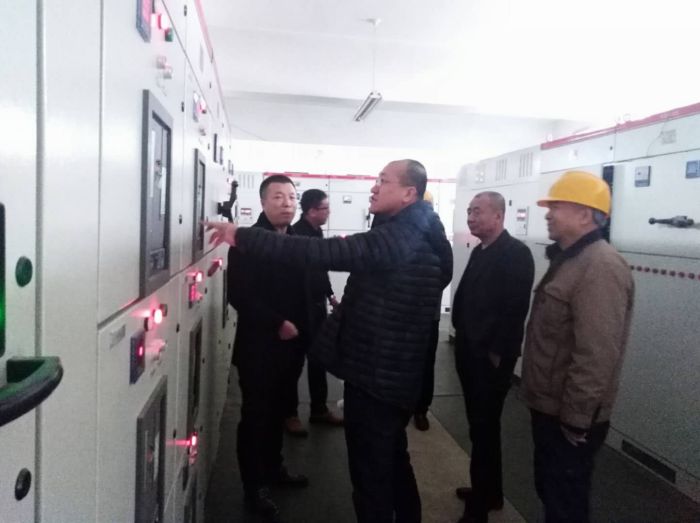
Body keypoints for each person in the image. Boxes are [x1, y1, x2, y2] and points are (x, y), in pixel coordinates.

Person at [207, 159, 453, 523]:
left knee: (373, 476)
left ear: (408, 193)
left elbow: (321, 254)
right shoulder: (416, 234)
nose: (374, 187)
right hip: (386, 373)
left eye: (383, 181)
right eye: (278, 196)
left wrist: (241, 234)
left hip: (378, 376)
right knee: (392, 460)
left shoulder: (400, 238)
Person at [521, 170, 635, 523]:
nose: (548, 214)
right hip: (550, 407)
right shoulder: (570, 259)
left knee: (565, 503)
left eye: (556, 206)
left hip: (568, 415)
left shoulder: (601, 266)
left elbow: (596, 354)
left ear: (585, 214)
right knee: (551, 490)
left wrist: (577, 419)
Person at [227, 174, 310, 523]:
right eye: (278, 196)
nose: (286, 203)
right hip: (259, 347)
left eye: (291, 197)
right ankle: (254, 487)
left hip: (292, 346)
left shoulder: (299, 240)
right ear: (262, 202)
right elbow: (239, 295)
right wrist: (278, 322)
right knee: (256, 417)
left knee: (278, 411)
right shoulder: (247, 241)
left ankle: (275, 469)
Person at [451, 191, 535, 523]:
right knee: (480, 427)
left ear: (498, 216)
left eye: (478, 212)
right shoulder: (481, 249)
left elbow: (515, 310)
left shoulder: (515, 254)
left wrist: (496, 354)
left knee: (484, 429)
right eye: (469, 211)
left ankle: (479, 508)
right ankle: (491, 492)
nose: (471, 218)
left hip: (489, 359)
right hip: (470, 351)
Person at [283, 189, 343, 436]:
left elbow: (321, 269)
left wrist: (330, 295)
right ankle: (290, 414)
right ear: (311, 211)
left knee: (319, 359)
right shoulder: (295, 235)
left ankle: (319, 409)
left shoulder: (317, 233)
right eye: (325, 208)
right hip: (299, 309)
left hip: (317, 308)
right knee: (293, 363)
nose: (328, 212)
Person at [412, 190, 442, 432]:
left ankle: (421, 409)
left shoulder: (435, 232)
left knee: (424, 362)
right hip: (401, 314)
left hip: (426, 314)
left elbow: (445, 269)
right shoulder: (398, 229)